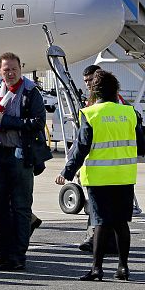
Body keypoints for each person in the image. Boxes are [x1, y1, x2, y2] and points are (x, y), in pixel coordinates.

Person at [57, 70, 143, 281]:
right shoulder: (130, 113)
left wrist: (67, 172)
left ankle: (97, 268)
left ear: (94, 92)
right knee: (121, 224)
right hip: (124, 176)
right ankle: (123, 268)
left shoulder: (90, 114)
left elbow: (81, 148)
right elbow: (142, 145)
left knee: (100, 223)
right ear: (116, 90)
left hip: (99, 178)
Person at [0, 52, 51, 272]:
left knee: (21, 208)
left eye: (14, 69)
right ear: (0, 70)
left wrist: (7, 121)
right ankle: (4, 251)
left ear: (20, 69)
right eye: (6, 70)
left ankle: (18, 255)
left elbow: (38, 122)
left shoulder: (31, 92)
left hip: (21, 156)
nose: (10, 73)